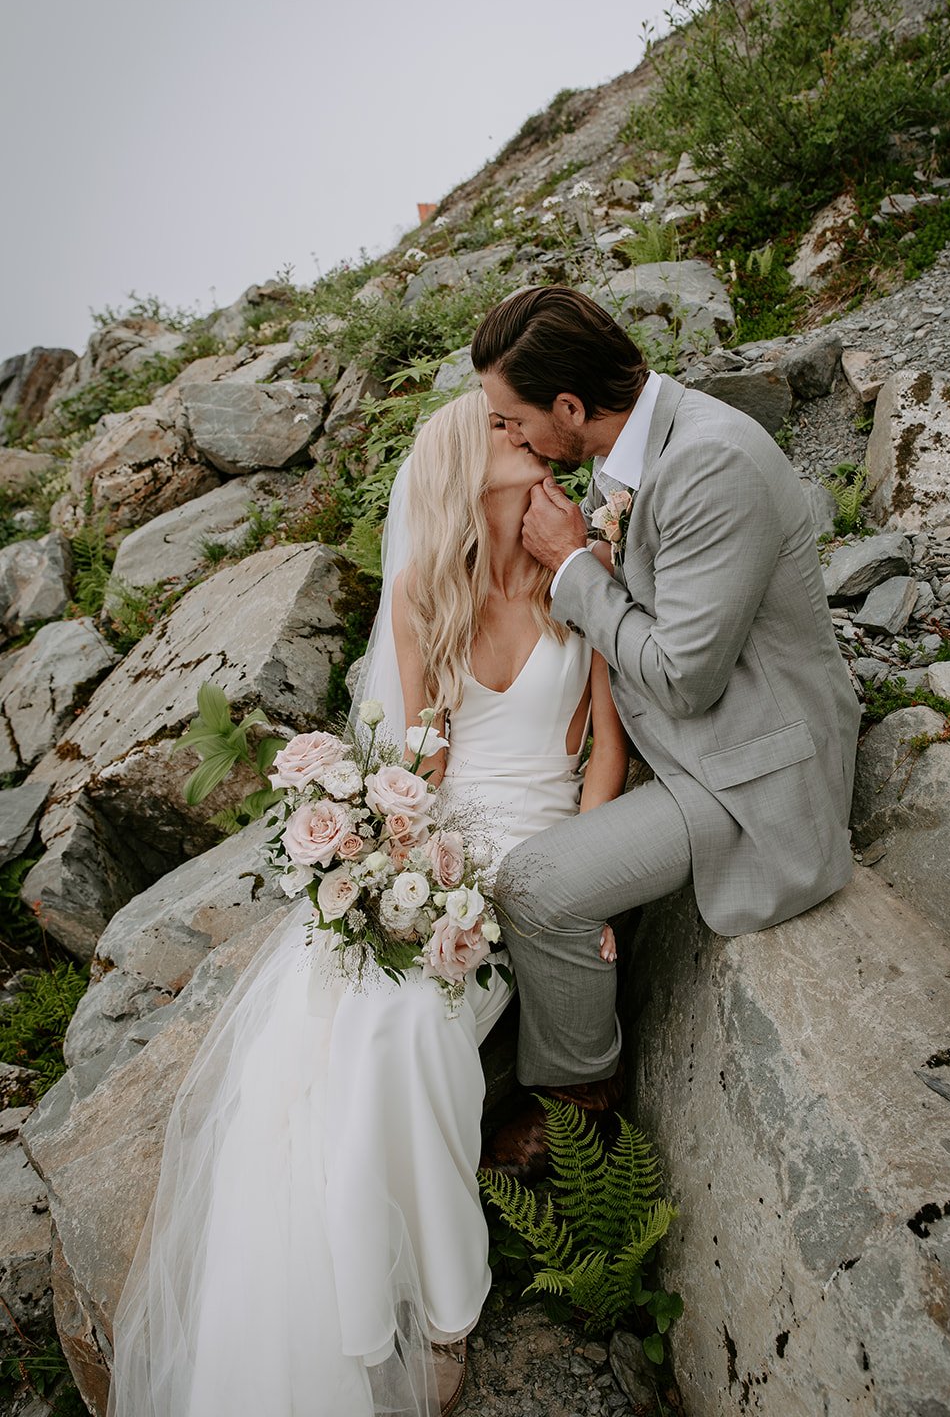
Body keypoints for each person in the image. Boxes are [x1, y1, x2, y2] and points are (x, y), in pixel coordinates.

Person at [106, 389, 628, 1417]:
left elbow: (606, 749)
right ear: (458, 470)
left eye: (523, 425)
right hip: (437, 865)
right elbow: (419, 764)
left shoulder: (583, 575)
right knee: (351, 1038)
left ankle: (445, 1309)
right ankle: (386, 1296)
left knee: (403, 1037)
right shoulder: (422, 597)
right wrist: (396, 860)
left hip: (540, 863)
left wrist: (589, 869)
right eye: (497, 429)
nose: (522, 435)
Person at [471, 285, 863, 1175]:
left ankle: (581, 1104)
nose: (516, 439)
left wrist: (575, 570)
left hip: (747, 764)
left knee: (534, 884)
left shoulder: (712, 461)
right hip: (686, 745)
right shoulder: (637, 445)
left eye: (517, 419)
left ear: (570, 408)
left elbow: (686, 679)